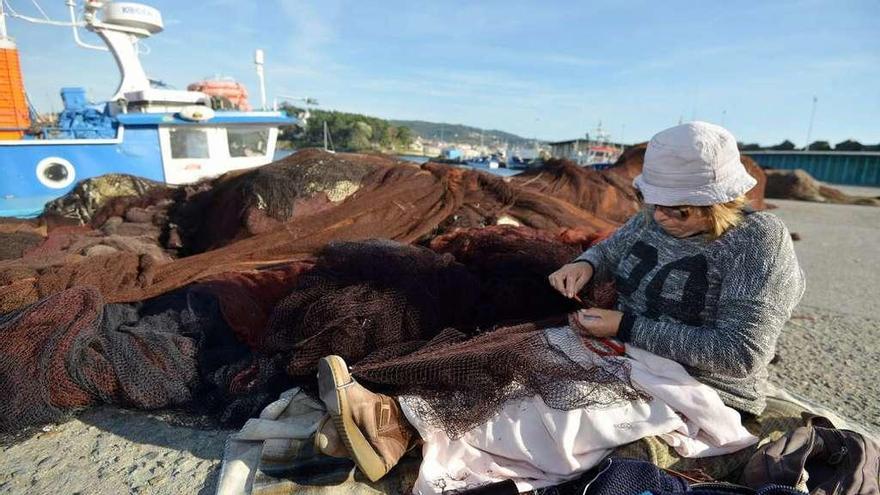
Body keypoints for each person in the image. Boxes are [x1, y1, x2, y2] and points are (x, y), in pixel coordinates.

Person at [314, 121, 805, 482]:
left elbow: (742, 355)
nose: (661, 217)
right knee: (507, 358)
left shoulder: (756, 242)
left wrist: (626, 327)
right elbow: (611, 248)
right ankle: (393, 417)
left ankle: (396, 432)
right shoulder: (653, 218)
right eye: (654, 203)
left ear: (720, 200)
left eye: (679, 209)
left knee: (563, 405)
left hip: (701, 382)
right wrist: (586, 265)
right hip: (623, 349)